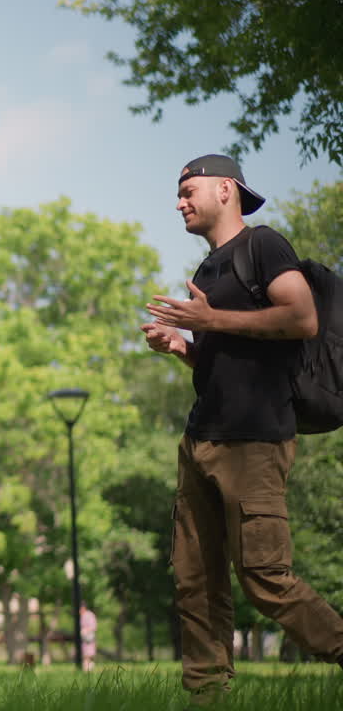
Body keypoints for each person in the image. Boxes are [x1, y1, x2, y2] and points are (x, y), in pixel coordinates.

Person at [142, 154, 343, 704]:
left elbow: (302, 317)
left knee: (265, 578)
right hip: (200, 438)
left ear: (226, 189)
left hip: (255, 440)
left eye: (189, 190)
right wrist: (183, 346)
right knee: (195, 579)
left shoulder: (264, 246)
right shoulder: (208, 269)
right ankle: (208, 695)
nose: (179, 201)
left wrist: (207, 321)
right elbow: (221, 363)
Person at [79, 602, 97, 673]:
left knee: (88, 653)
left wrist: (86, 630)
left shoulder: (89, 615)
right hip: (84, 638)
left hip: (89, 637)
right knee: (85, 654)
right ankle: (86, 668)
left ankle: (88, 668)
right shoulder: (82, 616)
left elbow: (93, 627)